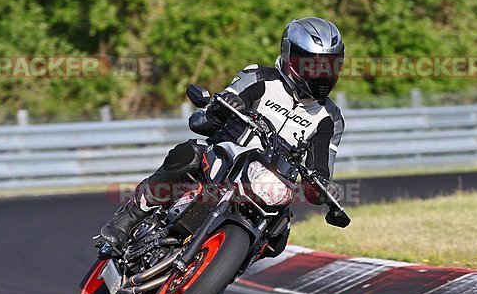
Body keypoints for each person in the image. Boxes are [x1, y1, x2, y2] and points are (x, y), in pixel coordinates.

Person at [98, 17, 346, 253]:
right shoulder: (259, 78)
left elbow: (319, 174)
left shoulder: (330, 119)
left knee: (278, 238)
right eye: (312, 65)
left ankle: (223, 269)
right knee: (188, 154)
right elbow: (199, 122)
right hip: (224, 160)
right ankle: (128, 220)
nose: (321, 74)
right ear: (290, 56)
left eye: (328, 66)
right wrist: (219, 109)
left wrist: (326, 190)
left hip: (269, 184)